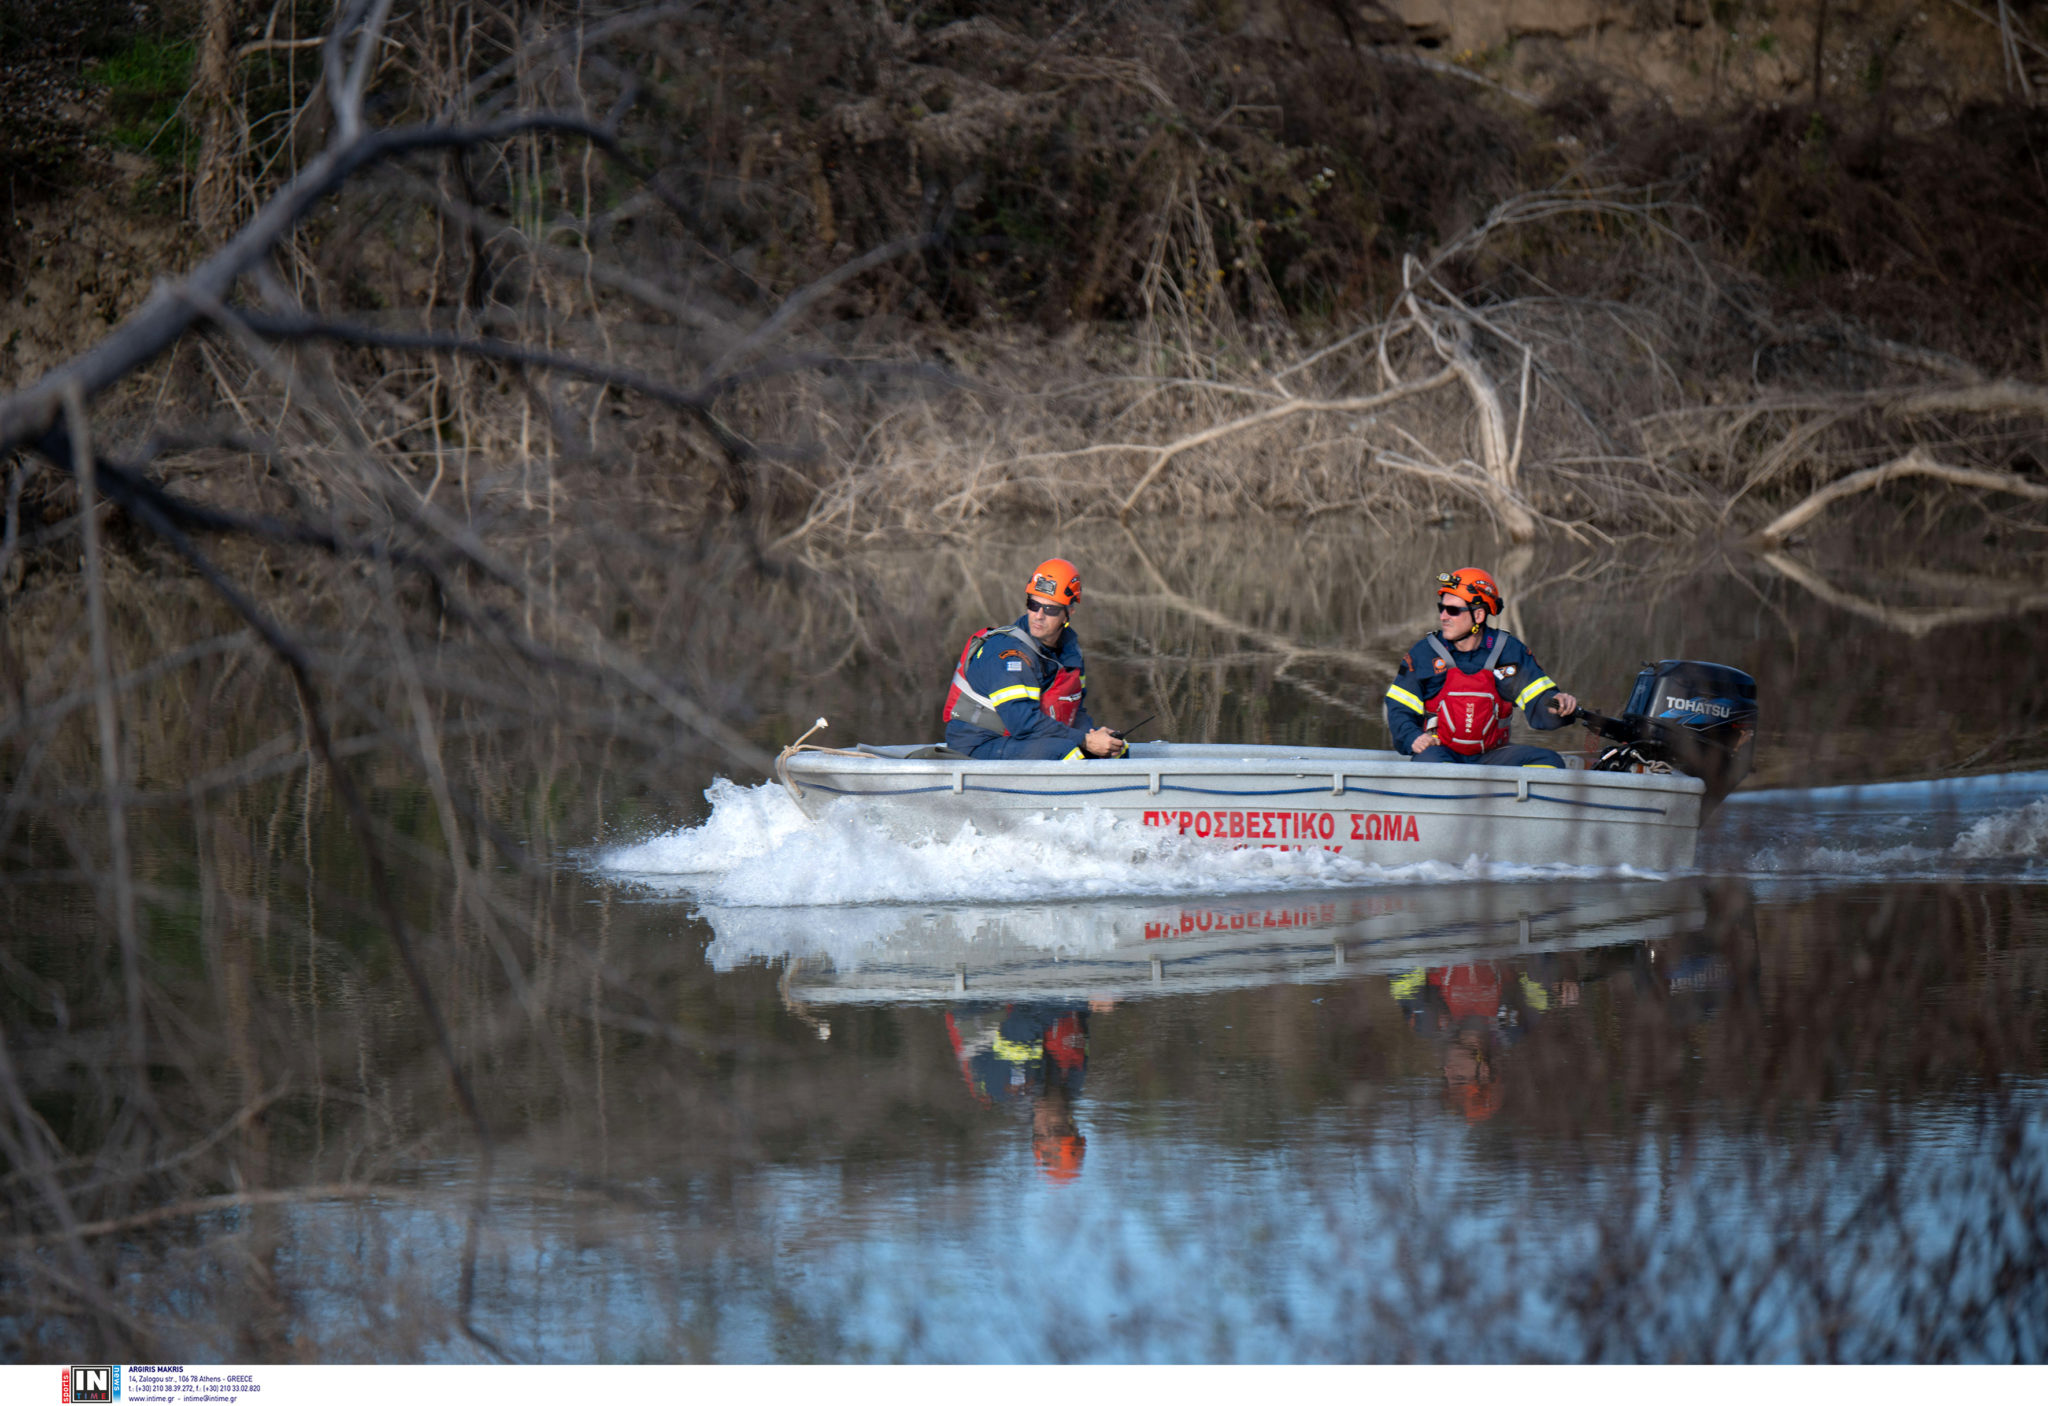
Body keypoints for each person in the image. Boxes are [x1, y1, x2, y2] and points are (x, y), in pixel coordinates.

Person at [1383, 566, 1580, 768]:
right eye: (1441, 608)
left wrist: (1559, 705)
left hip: (1493, 757)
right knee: (1429, 765)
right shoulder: (1424, 654)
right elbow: (1399, 709)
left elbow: (1539, 701)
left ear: (1478, 616)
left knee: (1550, 763)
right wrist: (1413, 738)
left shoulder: (1509, 652)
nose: (1443, 616)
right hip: (1440, 753)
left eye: (1452, 610)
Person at [943, 557, 1127, 761]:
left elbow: (1076, 711)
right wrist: (1084, 741)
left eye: (1050, 609)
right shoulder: (1008, 653)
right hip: (978, 745)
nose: (1038, 615)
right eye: (1033, 604)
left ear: (1068, 613)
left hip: (1024, 740)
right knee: (1070, 754)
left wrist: (1094, 737)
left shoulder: (1070, 652)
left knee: (1116, 750)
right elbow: (1022, 723)